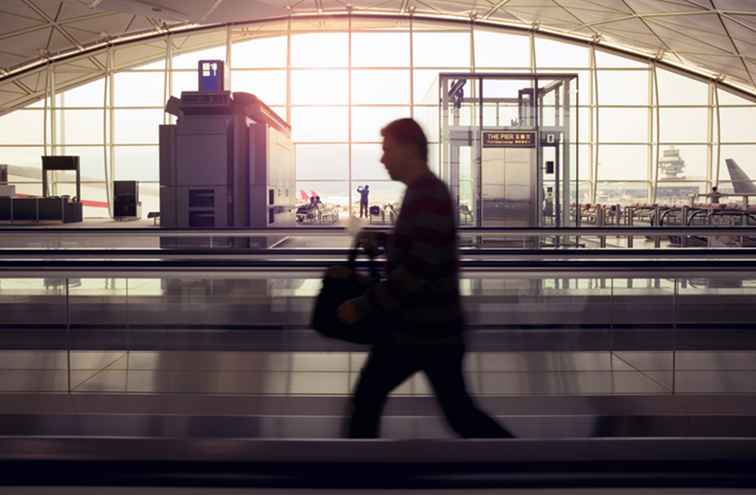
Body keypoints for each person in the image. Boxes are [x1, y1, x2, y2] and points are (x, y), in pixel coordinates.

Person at [337, 118, 514, 439]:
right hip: (430, 329)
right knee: (459, 412)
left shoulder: (428, 194)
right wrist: (383, 241)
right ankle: (521, 464)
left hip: (422, 330)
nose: (382, 158)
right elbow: (423, 248)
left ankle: (359, 477)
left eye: (387, 149)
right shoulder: (424, 191)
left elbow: (419, 269)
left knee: (369, 400)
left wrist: (364, 305)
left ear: (408, 149)